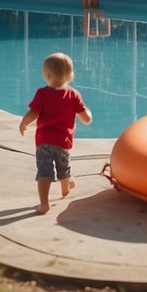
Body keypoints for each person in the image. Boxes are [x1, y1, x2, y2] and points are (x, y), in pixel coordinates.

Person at [19, 52, 92, 214]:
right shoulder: (74, 95)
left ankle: (44, 204)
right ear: (70, 75)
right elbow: (86, 119)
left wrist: (24, 122)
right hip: (63, 142)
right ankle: (65, 188)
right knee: (63, 167)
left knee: (44, 171)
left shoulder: (42, 93)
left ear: (47, 75)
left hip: (44, 141)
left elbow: (33, 112)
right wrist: (88, 114)